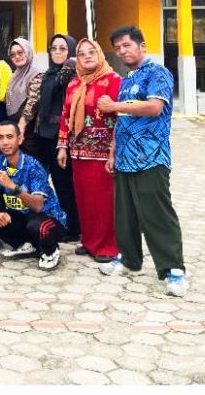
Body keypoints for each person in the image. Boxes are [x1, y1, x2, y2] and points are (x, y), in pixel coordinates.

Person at [96, 25, 188, 297]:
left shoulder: (158, 73)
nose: (122, 51)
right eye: (118, 48)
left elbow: (154, 107)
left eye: (127, 45)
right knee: (125, 214)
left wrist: (114, 105)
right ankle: (129, 260)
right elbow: (122, 120)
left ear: (142, 46)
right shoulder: (127, 80)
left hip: (151, 157)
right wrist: (112, 152)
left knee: (156, 214)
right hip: (124, 158)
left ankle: (173, 270)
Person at [58, 38, 121, 263]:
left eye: (91, 52)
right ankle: (89, 241)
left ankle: (107, 247)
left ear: (100, 54)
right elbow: (66, 115)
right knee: (84, 199)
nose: (87, 56)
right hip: (77, 152)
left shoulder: (113, 80)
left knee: (103, 201)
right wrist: (62, 146)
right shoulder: (74, 83)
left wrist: (114, 152)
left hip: (103, 153)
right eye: (82, 53)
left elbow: (122, 118)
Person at [0, 120, 67, 270]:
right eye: (0, 138)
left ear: (20, 139)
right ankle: (27, 245)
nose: (5, 142)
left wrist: (12, 187)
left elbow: (38, 205)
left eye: (9, 137)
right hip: (22, 216)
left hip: (48, 218)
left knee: (36, 226)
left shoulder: (33, 166)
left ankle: (51, 251)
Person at [22, 34, 80, 240]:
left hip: (63, 137)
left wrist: (71, 67)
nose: (57, 52)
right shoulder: (48, 75)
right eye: (53, 48)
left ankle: (73, 228)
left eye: (62, 48)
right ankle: (53, 220)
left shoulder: (74, 76)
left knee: (64, 184)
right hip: (43, 136)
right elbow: (37, 104)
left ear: (70, 51)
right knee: (43, 182)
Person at [5, 37, 47, 153]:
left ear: (28, 51)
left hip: (29, 133)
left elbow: (33, 101)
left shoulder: (37, 73)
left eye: (20, 52)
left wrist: (21, 126)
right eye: (13, 55)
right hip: (17, 130)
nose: (17, 56)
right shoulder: (15, 75)